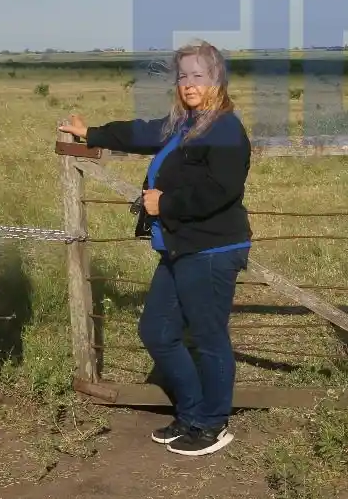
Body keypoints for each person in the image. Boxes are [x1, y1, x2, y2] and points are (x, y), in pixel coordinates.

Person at [58, 39, 252, 457]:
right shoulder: (187, 123)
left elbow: (221, 190)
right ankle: (192, 412)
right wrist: (91, 133)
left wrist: (164, 203)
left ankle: (212, 423)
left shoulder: (224, 128)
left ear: (217, 78)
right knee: (158, 332)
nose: (188, 83)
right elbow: (143, 132)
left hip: (212, 251)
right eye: (183, 76)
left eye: (198, 74)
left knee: (208, 336)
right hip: (181, 249)